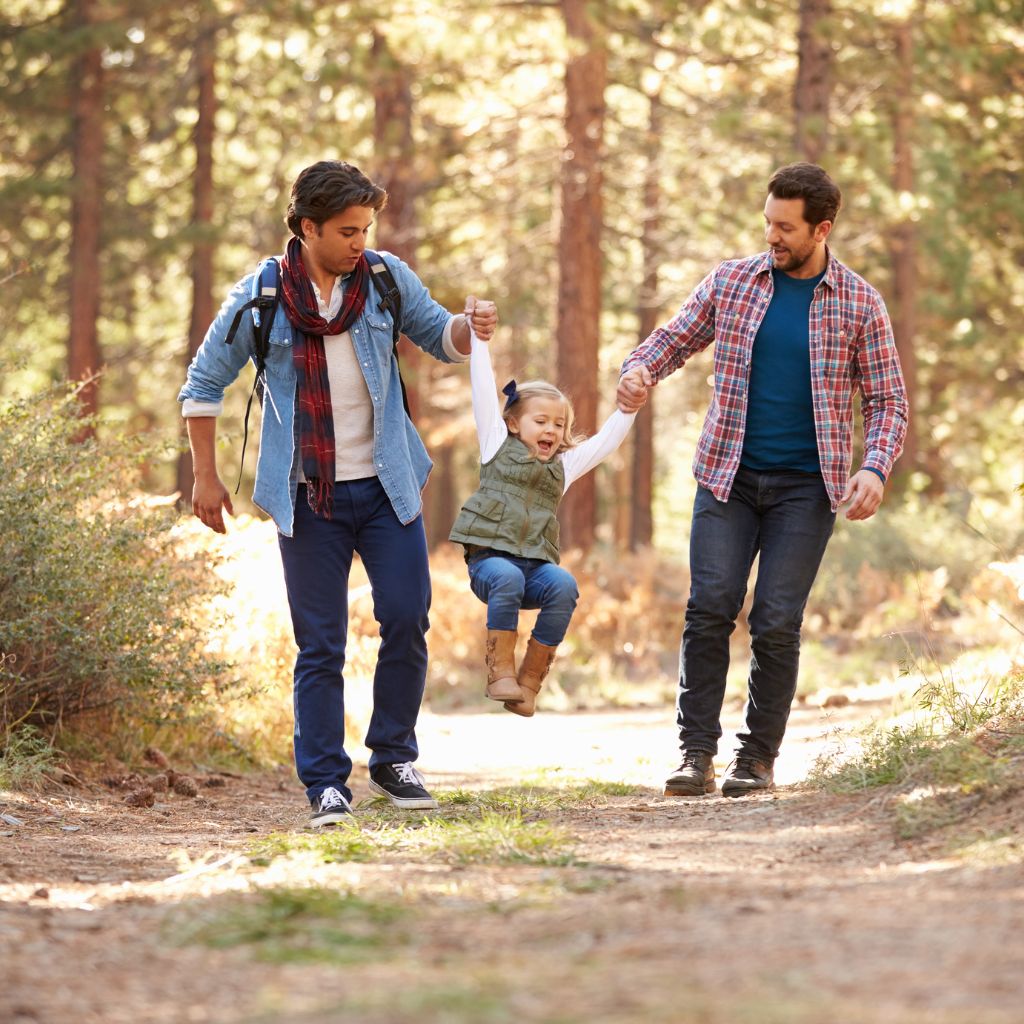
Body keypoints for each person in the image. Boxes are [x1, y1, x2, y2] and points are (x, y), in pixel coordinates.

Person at [178, 160, 498, 827]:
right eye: (348, 231)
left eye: (366, 229)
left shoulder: (382, 279)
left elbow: (442, 336)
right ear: (307, 227)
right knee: (320, 645)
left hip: (388, 488)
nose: (360, 242)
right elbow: (203, 385)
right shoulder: (262, 298)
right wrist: (205, 476)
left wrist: (472, 327)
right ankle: (326, 784)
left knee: (408, 617)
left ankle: (392, 757)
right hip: (309, 496)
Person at [617, 162, 908, 798]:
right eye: (767, 223)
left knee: (776, 620)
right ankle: (696, 755)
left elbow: (887, 402)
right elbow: (673, 338)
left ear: (821, 229)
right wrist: (638, 369)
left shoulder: (859, 303)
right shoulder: (733, 281)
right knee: (710, 606)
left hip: (808, 488)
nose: (771, 237)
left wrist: (874, 466)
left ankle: (757, 758)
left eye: (785, 228)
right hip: (728, 477)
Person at [450, 329, 635, 716]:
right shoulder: (495, 443)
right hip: (490, 564)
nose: (551, 430)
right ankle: (499, 670)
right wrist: (479, 339)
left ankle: (529, 682)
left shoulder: (563, 468)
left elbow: (604, 444)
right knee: (507, 576)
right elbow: (483, 389)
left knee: (564, 584)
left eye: (558, 424)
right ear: (516, 424)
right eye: (541, 421)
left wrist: (627, 411)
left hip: (534, 569)